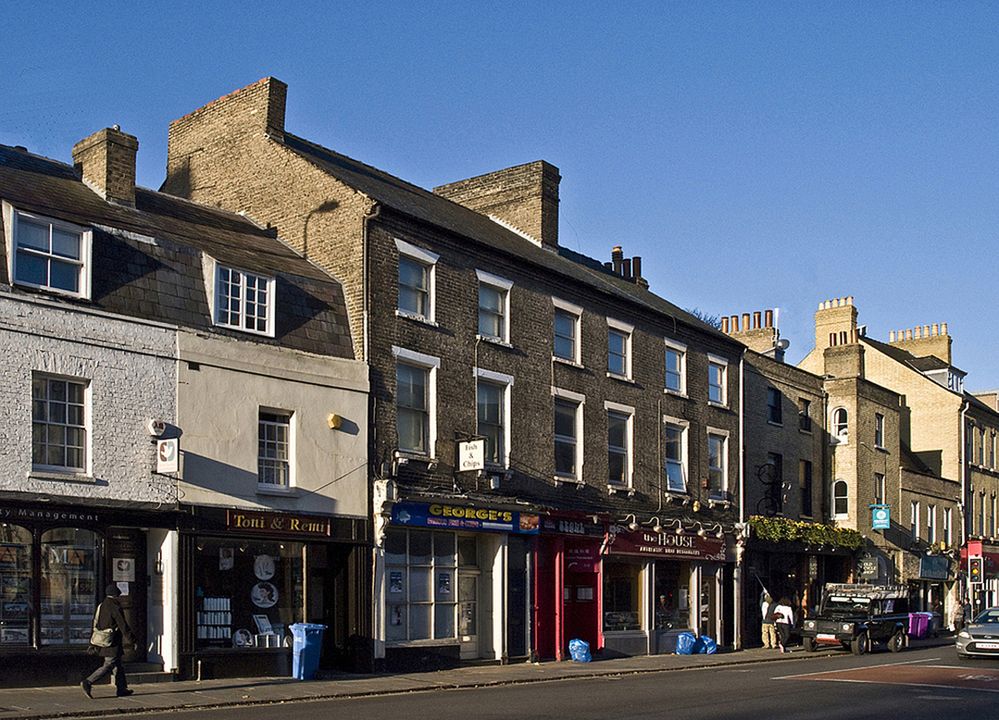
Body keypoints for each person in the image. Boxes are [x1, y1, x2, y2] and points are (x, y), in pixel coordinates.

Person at [82, 584, 135, 699]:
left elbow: (96, 623)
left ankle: (121, 688)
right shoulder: (115, 606)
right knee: (109, 664)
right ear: (116, 595)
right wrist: (132, 640)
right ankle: (88, 681)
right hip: (112, 641)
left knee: (118, 665)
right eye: (119, 595)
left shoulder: (102, 605)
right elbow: (122, 624)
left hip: (103, 640)